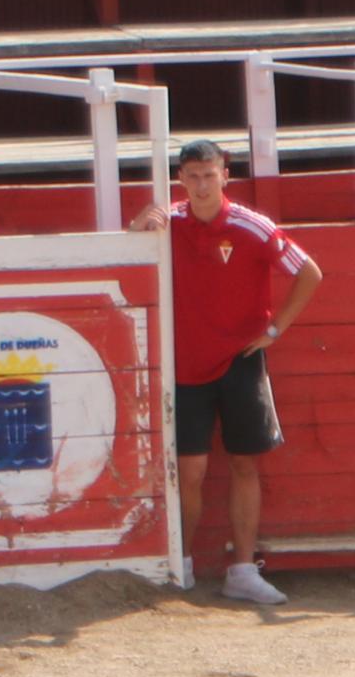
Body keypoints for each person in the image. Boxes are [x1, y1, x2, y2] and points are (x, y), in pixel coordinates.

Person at [136, 138, 320, 608]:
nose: (201, 184)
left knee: (244, 462)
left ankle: (240, 569)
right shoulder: (165, 224)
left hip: (240, 359)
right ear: (181, 178)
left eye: (209, 174)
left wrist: (275, 330)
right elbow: (132, 258)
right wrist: (137, 226)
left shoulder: (251, 226)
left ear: (225, 175)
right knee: (189, 471)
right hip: (185, 362)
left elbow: (310, 272)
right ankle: (181, 565)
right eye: (192, 175)